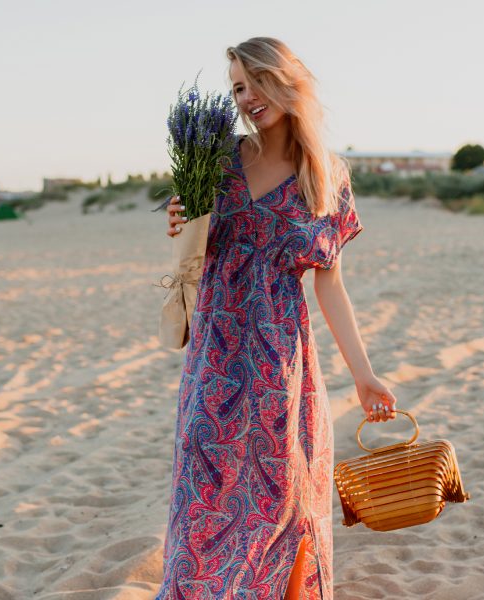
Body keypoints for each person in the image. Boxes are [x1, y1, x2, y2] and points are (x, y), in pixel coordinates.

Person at [156, 37, 399, 599]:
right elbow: (191, 248)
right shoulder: (214, 160)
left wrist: (363, 375)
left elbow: (330, 284)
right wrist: (178, 221)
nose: (246, 97)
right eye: (238, 87)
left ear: (288, 80)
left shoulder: (327, 176)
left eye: (256, 82)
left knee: (284, 503)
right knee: (204, 497)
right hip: (215, 360)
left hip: (281, 367)